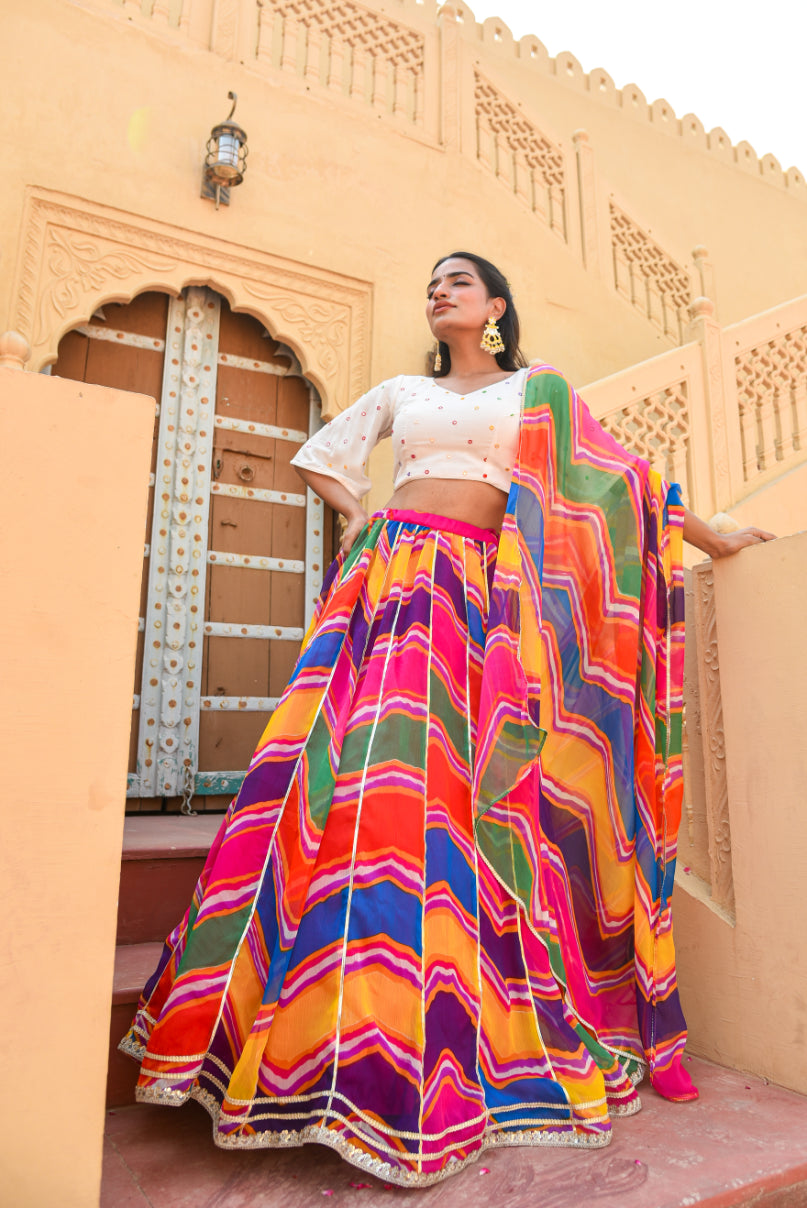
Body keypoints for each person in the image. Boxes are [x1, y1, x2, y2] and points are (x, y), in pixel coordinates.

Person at [120, 253, 774, 1187]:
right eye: (432, 282)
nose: (440, 292)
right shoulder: (398, 391)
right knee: (348, 784)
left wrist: (709, 534)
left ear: (497, 305)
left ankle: (436, 1023)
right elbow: (321, 459)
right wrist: (361, 518)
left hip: (482, 607)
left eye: (459, 280)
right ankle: (306, 1036)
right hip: (388, 588)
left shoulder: (537, 396)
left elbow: (618, 481)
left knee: (455, 801)